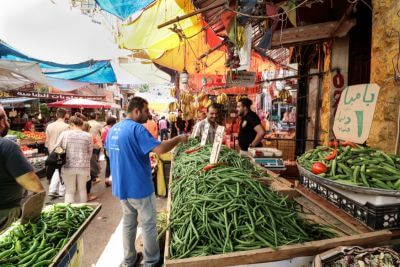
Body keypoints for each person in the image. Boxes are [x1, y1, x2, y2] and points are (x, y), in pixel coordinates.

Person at [106, 97, 189, 267]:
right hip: (139, 187)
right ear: (136, 111)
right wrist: (178, 139)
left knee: (129, 224)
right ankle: (151, 261)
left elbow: (109, 154)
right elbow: (160, 149)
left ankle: (129, 260)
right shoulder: (137, 129)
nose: (148, 114)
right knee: (148, 225)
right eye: (146, 110)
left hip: (122, 187)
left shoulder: (114, 129)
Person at [0, 105, 45, 231]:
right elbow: (32, 183)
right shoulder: (6, 146)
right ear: (2, 122)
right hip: (5, 215)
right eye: (6, 118)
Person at [57, 115, 93, 203]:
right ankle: (83, 210)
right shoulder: (88, 136)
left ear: (72, 124)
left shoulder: (65, 134)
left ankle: (70, 213)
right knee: (82, 189)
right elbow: (90, 152)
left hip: (68, 166)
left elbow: (57, 148)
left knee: (69, 190)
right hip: (83, 166)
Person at [45, 108, 69, 198]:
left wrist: (50, 151)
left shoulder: (49, 126)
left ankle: (52, 189)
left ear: (56, 115)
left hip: (52, 151)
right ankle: (61, 191)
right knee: (62, 170)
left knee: (56, 170)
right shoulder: (66, 126)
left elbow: (47, 140)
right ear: (65, 115)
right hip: (62, 151)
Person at [101, 116, 117, 187]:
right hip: (114, 148)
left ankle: (107, 178)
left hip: (106, 148)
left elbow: (103, 140)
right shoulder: (113, 129)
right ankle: (114, 179)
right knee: (114, 163)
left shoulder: (104, 129)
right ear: (113, 122)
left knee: (108, 164)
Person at [88, 112, 103, 184]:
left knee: (90, 160)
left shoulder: (86, 123)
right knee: (95, 159)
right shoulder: (98, 124)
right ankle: (95, 176)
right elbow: (102, 133)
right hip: (96, 143)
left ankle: (92, 175)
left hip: (88, 143)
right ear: (96, 117)